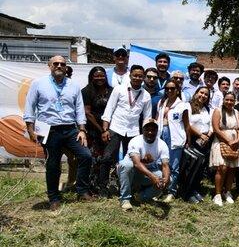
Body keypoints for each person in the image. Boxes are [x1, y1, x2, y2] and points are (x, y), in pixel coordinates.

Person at [23, 55, 93, 210]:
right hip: (49, 129)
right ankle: (54, 197)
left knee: (85, 156)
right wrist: (30, 129)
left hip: (70, 129)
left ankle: (81, 190)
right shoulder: (38, 84)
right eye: (56, 63)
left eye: (62, 64)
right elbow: (30, 107)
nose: (59, 66)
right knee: (53, 164)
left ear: (66, 67)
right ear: (50, 66)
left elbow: (79, 109)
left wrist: (82, 129)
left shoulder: (73, 86)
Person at [97, 65, 151, 195]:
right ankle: (102, 187)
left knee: (131, 161)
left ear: (143, 78)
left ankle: (127, 188)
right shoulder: (119, 89)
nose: (137, 78)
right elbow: (109, 109)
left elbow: (147, 118)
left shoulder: (146, 95)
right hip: (116, 128)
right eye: (135, 75)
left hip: (133, 132)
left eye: (140, 76)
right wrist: (105, 130)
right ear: (130, 75)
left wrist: (144, 137)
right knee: (107, 157)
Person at [117, 118, 170, 210]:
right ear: (142, 130)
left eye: (153, 130)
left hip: (146, 173)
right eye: (147, 129)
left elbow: (165, 166)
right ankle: (125, 199)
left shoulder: (162, 144)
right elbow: (136, 164)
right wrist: (153, 177)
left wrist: (165, 180)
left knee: (168, 179)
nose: (150, 132)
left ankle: (142, 197)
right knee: (127, 165)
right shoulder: (135, 141)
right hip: (131, 172)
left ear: (157, 131)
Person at [209, 91, 239, 206]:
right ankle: (218, 194)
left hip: (235, 142)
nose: (229, 102)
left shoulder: (237, 112)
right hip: (221, 141)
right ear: (223, 100)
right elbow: (216, 129)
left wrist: (237, 140)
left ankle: (228, 191)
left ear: (235, 101)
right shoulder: (218, 111)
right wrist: (229, 141)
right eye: (227, 100)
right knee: (222, 167)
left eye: (232, 100)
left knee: (232, 168)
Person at [179, 87, 212, 203]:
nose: (203, 96)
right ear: (196, 93)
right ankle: (186, 193)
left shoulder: (207, 108)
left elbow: (210, 124)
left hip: (205, 140)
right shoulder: (188, 106)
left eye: (206, 94)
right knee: (190, 167)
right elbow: (188, 124)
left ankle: (194, 189)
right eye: (201, 93)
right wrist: (200, 135)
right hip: (193, 139)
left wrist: (208, 134)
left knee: (200, 167)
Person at [81, 65, 112, 192]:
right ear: (91, 77)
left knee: (107, 158)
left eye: (102, 75)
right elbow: (87, 113)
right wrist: (102, 130)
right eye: (97, 76)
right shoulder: (86, 91)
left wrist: (108, 129)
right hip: (93, 130)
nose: (100, 78)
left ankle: (104, 185)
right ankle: (91, 187)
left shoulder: (111, 91)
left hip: (109, 130)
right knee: (93, 159)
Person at [156, 79, 186, 202]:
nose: (169, 90)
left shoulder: (183, 105)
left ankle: (171, 191)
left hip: (175, 137)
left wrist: (187, 139)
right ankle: (159, 190)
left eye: (172, 88)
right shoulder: (161, 102)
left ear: (177, 90)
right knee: (160, 164)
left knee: (173, 166)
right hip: (161, 134)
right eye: (167, 88)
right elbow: (157, 118)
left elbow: (187, 124)